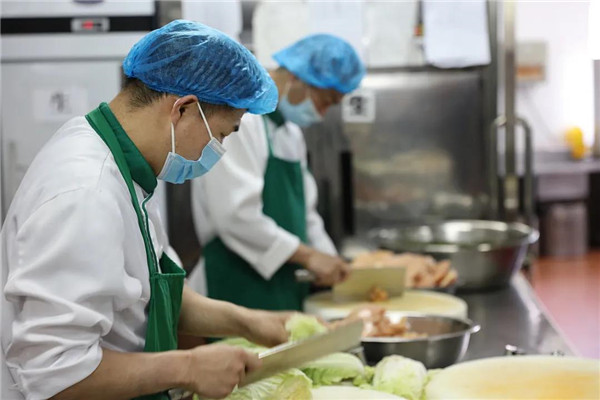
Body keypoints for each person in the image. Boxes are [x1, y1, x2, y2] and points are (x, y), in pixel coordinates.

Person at [0, 20, 292, 400]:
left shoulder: (125, 165)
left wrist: (245, 321)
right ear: (184, 109)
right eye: (220, 135)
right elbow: (54, 373)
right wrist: (188, 367)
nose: (217, 152)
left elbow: (147, 292)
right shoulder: (86, 190)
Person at [190, 34, 366, 311]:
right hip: (235, 285)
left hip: (283, 285)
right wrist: (308, 257)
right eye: (324, 101)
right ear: (297, 78)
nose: (322, 114)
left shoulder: (290, 133)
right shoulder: (240, 122)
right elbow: (235, 216)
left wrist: (330, 260)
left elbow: (306, 215)